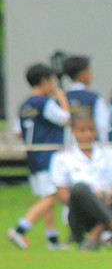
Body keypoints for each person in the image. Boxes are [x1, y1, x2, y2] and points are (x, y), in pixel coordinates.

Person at [50, 109, 112, 251]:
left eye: (91, 129)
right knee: (79, 189)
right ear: (73, 131)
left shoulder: (110, 151)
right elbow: (63, 196)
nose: (88, 134)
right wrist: (93, 198)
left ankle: (94, 235)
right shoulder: (61, 157)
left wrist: (108, 195)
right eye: (83, 130)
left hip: (111, 202)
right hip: (81, 214)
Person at [6, 63, 71, 250]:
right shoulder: (45, 103)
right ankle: (20, 229)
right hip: (49, 156)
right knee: (53, 196)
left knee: (46, 196)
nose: (54, 86)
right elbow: (66, 119)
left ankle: (52, 239)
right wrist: (62, 98)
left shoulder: (25, 104)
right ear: (44, 81)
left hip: (33, 156)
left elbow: (19, 132)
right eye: (53, 82)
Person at [63, 55, 111, 143]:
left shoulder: (62, 98)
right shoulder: (94, 98)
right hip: (90, 148)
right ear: (83, 74)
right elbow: (103, 126)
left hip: (66, 149)